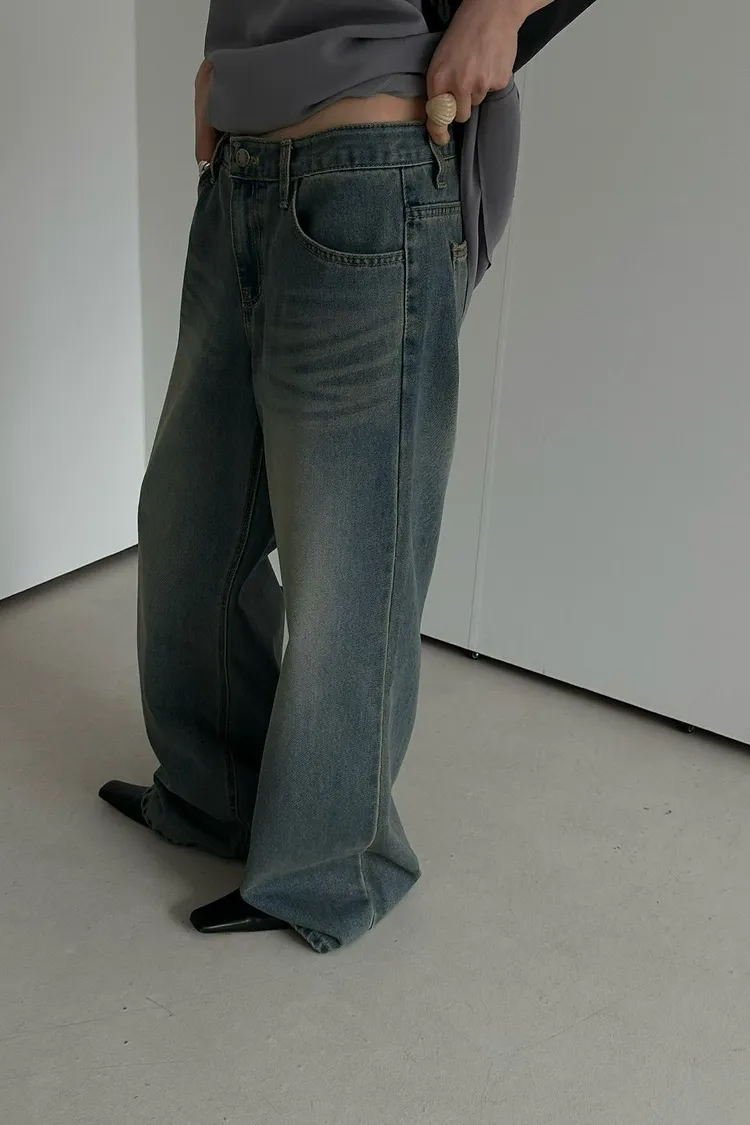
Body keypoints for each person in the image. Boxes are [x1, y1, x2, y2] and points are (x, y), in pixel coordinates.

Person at [99, 0, 555, 953]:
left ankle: (331, 867)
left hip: (370, 167)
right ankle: (216, 796)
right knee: (187, 529)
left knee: (351, 565)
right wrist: (226, 59)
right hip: (241, 170)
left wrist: (501, 9)